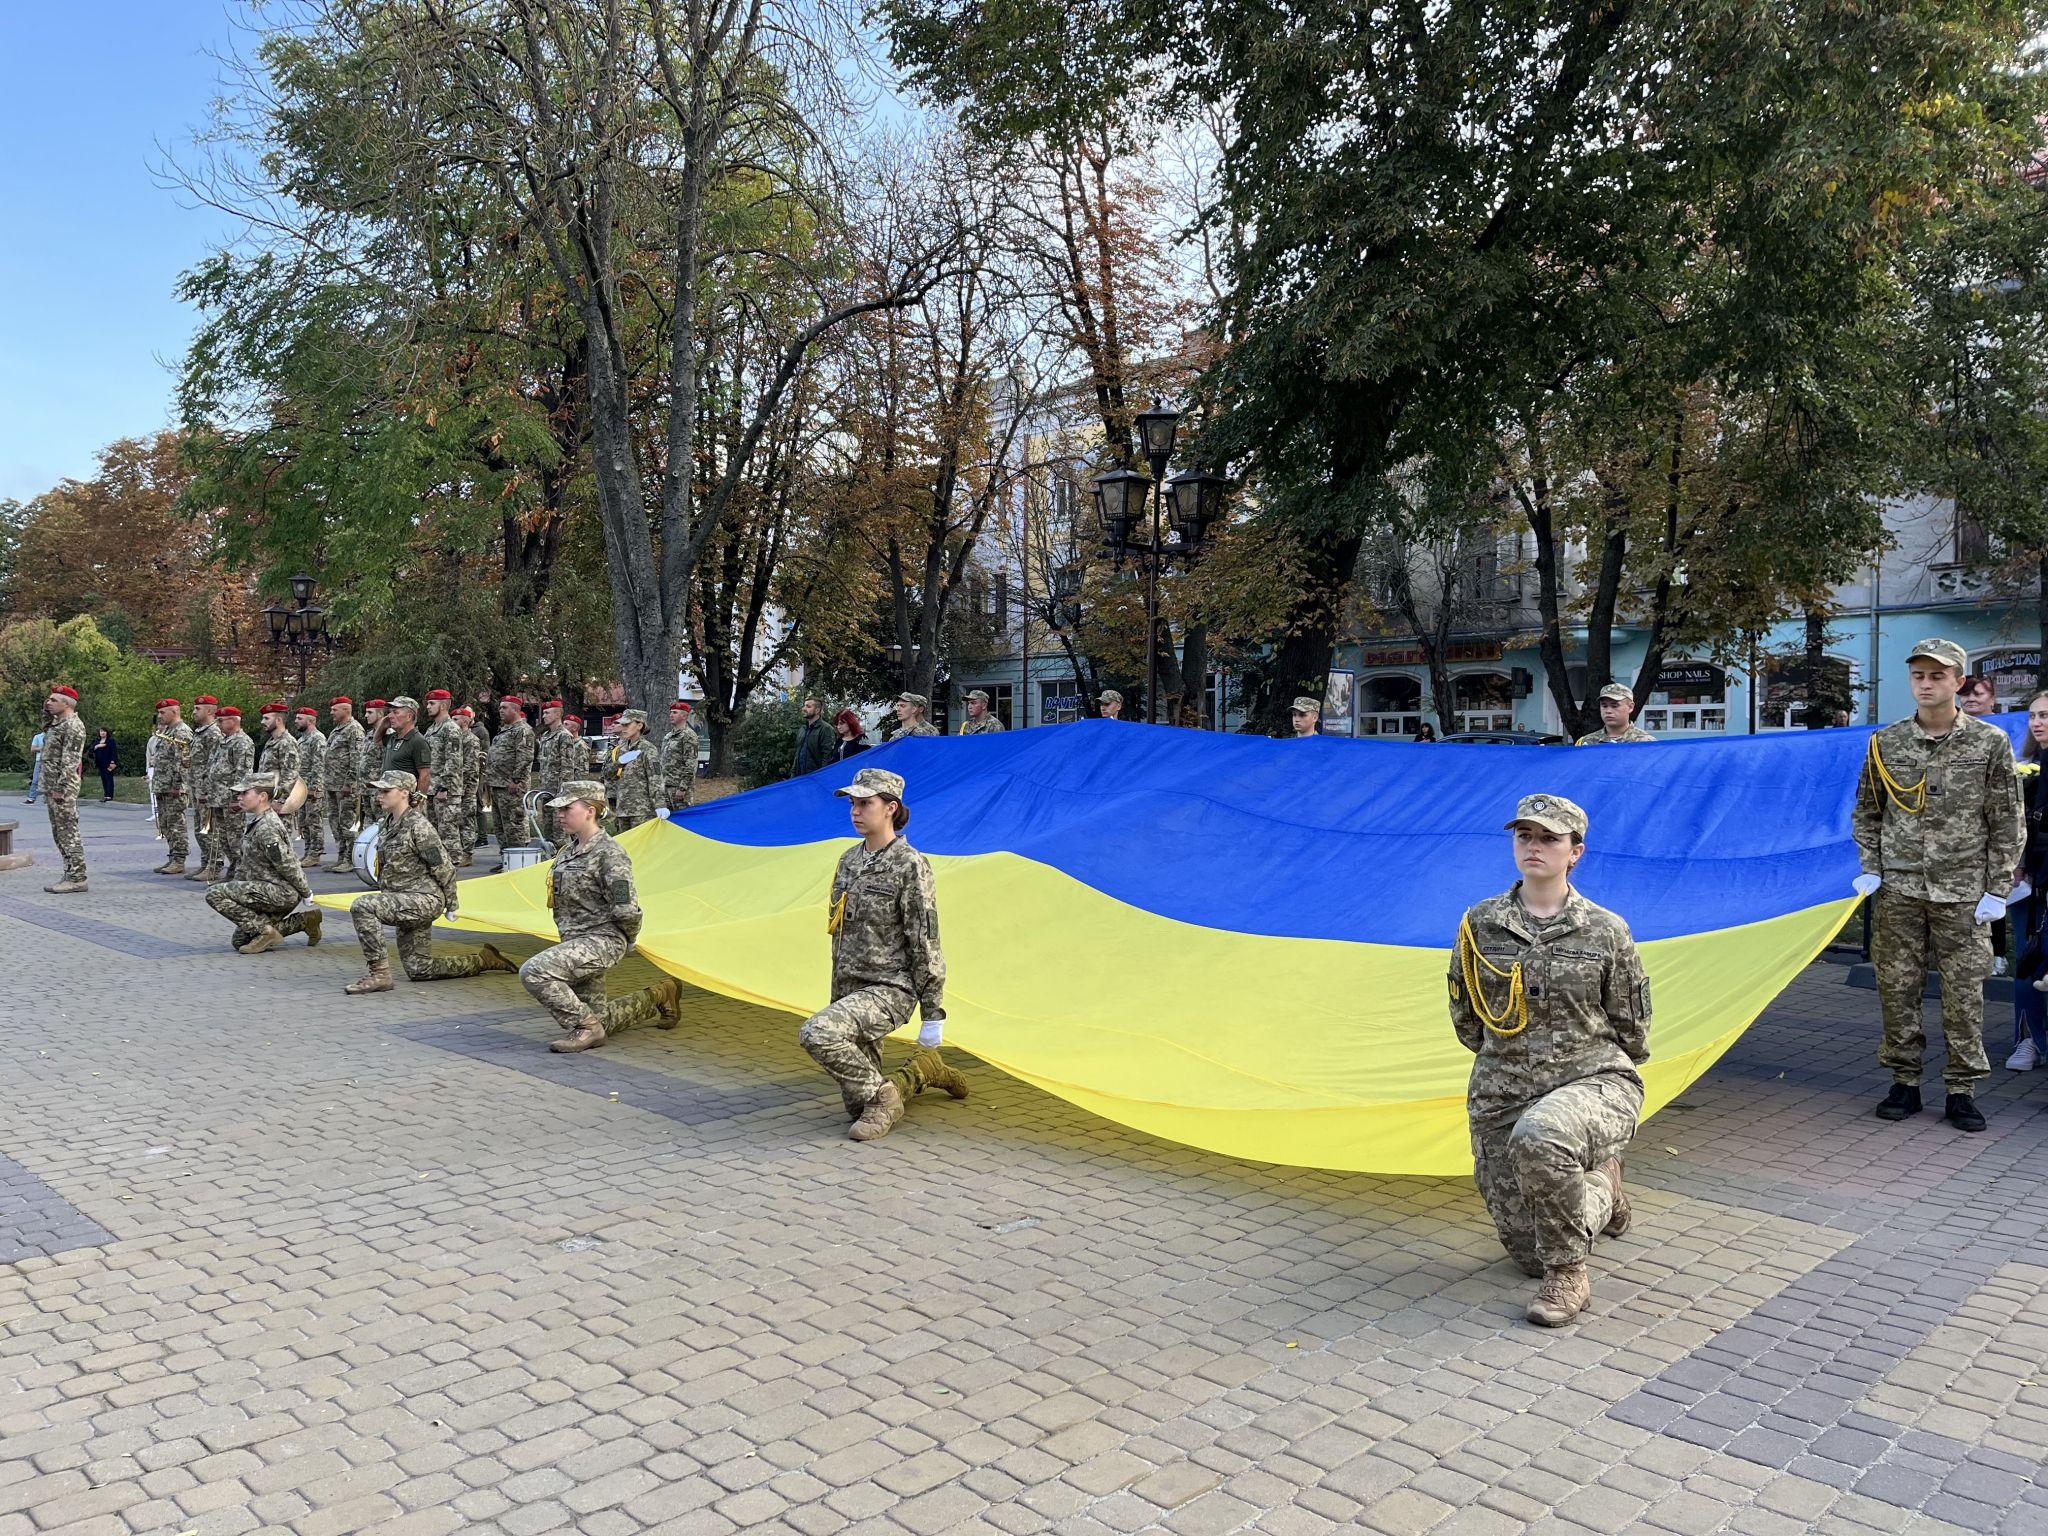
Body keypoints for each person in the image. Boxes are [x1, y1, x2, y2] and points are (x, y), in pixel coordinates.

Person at [1451, 793, 1648, 1327]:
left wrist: (1588, 1071)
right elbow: (1467, 1016)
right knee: (1525, 1254)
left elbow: (1632, 1025)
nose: (1534, 847)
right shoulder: (1480, 924)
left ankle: (1570, 1275)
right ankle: (1604, 1188)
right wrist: (1512, 1063)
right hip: (1503, 1089)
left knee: (1542, 1135)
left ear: (1575, 852)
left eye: (1549, 839)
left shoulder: (1605, 929)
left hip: (1592, 1078)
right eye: (1525, 837)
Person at [1852, 637, 2023, 1133]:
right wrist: (1872, 864)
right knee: (1897, 988)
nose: (1926, 685)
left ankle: (1961, 1089)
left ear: (1958, 681)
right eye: (1919, 676)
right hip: (1901, 889)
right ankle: (1904, 1081)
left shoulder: (1988, 742)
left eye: (1937, 676)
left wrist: (1998, 888)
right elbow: (1867, 810)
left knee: (1964, 992)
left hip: (1965, 892)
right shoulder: (1886, 743)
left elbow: (2007, 820)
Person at [796, 767, 968, 1141]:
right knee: (858, 1106)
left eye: (865, 803)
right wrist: (839, 992)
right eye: (853, 804)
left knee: (818, 1033)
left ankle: (886, 1096)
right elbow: (840, 931)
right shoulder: (849, 860)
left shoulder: (910, 864)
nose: (856, 811)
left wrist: (932, 1012)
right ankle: (923, 1073)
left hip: (890, 989)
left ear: (891, 808)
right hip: (850, 988)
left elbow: (925, 939)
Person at [520, 779, 681, 1053]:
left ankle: (586, 1028)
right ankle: (660, 995)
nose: (560, 814)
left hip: (601, 940)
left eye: (567, 808)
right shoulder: (568, 851)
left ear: (591, 810)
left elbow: (626, 907)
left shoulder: (610, 854)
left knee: (535, 971)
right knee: (601, 1018)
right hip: (574, 939)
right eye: (559, 809)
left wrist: (629, 938)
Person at [344, 770, 518, 993]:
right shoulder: (387, 824)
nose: (379, 796)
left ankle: (379, 975)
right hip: (401, 899)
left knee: (363, 906)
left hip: (423, 900)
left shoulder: (419, 827)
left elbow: (444, 867)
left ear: (404, 793)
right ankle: (484, 960)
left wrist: (452, 904)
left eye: (386, 791)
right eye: (379, 791)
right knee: (419, 969)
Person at [205, 773, 321, 954]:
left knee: (214, 893)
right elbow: (245, 865)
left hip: (280, 892)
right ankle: (305, 921)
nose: (239, 797)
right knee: (240, 941)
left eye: (245, 793)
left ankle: (266, 932)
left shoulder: (267, 827)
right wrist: (237, 887)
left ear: (262, 797)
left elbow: (288, 864)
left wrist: (306, 892)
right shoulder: (257, 821)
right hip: (263, 890)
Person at [2009, 690, 2048, 1070]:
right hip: (2028, 882)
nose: (2037, 723)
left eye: (2046, 716)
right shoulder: (2023, 767)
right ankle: (2027, 1040)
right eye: (2034, 716)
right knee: (2028, 960)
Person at [39, 685, 89, 894]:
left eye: (52, 700)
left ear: (66, 703)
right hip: (53, 786)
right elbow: (45, 725)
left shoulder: (73, 726)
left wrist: (60, 787)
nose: (48, 702)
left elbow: (70, 761)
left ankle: (78, 877)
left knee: (68, 831)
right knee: (59, 832)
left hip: (63, 787)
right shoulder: (57, 724)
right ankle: (69, 873)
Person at [208, 706, 255, 879]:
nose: (218, 724)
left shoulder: (242, 742)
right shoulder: (225, 741)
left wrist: (238, 798)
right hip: (219, 798)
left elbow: (243, 773)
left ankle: (242, 872)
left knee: (235, 839)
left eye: (221, 721)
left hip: (231, 800)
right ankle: (234, 869)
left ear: (233, 721)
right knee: (224, 839)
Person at [486, 695, 536, 857]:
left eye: (504, 707)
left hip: (511, 786)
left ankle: (517, 861)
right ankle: (506, 859)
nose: (500, 710)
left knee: (514, 824)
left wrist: (516, 779)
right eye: (500, 707)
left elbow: (525, 757)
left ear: (515, 709)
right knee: (500, 825)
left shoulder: (523, 730)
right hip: (498, 784)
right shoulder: (506, 729)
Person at [148, 699, 193, 875]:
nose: (159, 716)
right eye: (159, 713)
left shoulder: (181, 732)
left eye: (162, 712)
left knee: (176, 824)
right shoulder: (168, 731)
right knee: (166, 824)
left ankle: (179, 860)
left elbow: (182, 762)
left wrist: (178, 785)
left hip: (174, 787)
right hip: (163, 785)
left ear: (174, 712)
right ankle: (172, 857)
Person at [324, 697, 365, 874]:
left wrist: (350, 782)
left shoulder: (354, 729)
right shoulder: (337, 730)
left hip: (346, 786)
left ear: (346, 710)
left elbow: (357, 759)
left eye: (335, 710)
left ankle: (350, 858)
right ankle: (341, 857)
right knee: (335, 822)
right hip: (333, 784)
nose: (331, 713)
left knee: (348, 823)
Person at [607, 709, 663, 828]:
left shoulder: (648, 749)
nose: (624, 728)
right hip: (622, 807)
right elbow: (608, 775)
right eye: (622, 725)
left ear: (639, 725)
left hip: (642, 810)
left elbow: (655, 778)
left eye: (627, 724)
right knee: (624, 845)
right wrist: (619, 762)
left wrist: (660, 804)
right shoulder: (621, 748)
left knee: (643, 845)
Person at [186, 698, 223, 879]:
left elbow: (215, 763)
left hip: (206, 789)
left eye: (197, 708)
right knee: (200, 829)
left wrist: (208, 790)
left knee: (210, 828)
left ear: (209, 711)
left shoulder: (214, 733)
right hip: (196, 786)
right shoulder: (200, 732)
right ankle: (205, 863)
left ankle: (214, 865)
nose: (194, 711)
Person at [293, 705, 327, 867]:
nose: (296, 721)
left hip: (313, 788)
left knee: (313, 821)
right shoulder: (301, 740)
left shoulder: (317, 738)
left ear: (311, 720)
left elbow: (319, 764)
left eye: (300, 718)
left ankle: (315, 853)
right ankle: (308, 851)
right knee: (303, 821)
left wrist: (315, 788)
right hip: (302, 788)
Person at [454, 704, 486, 862]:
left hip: (466, 788)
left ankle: (467, 853)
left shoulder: (471, 740)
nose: (452, 722)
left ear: (465, 722)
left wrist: (458, 783)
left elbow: (470, 767)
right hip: (457, 786)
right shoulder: (456, 738)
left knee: (466, 820)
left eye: (456, 719)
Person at [1575, 683, 1655, 745]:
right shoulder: (1587, 743)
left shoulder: (1646, 742)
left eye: (1614, 706)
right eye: (1604, 706)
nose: (1608, 711)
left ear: (1630, 707)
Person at [661, 701, 699, 813]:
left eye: (675, 712)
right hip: (666, 786)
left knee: (684, 820)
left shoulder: (689, 735)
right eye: (670, 712)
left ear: (684, 716)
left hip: (679, 788)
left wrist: (682, 788)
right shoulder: (668, 736)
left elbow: (691, 764)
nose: (671, 715)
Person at [792, 696, 833, 776]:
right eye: (804, 706)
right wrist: (793, 775)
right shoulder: (802, 729)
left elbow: (827, 757)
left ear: (817, 710)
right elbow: (797, 754)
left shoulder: (826, 729)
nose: (804, 709)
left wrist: (822, 777)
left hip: (815, 778)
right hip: (799, 778)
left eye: (808, 706)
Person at [91, 727, 118, 802]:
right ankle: (106, 795)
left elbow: (114, 752)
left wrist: (113, 762)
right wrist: (97, 746)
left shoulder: (110, 741)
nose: (102, 733)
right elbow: (91, 749)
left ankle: (109, 795)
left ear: (107, 732)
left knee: (109, 778)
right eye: (101, 731)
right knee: (103, 779)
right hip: (100, 763)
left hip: (108, 762)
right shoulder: (97, 741)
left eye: (104, 731)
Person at [25, 722, 44, 803]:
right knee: (35, 779)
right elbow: (32, 749)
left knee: (51, 780)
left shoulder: (53, 737)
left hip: (50, 761)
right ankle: (31, 797)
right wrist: (42, 748)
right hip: (39, 760)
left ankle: (49, 798)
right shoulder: (38, 737)